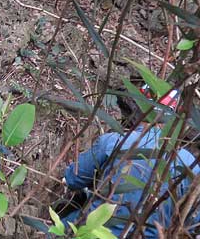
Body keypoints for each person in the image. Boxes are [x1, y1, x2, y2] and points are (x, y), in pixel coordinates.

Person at [62, 86, 200, 237]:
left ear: (140, 109)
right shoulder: (188, 162)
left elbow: (73, 178)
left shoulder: (114, 141)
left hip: (96, 231)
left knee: (55, 227)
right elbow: (193, 218)